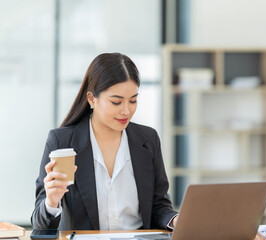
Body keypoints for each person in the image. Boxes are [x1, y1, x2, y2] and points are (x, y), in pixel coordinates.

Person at [31, 53, 179, 230]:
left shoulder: (148, 140)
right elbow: (39, 225)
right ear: (92, 99)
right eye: (116, 102)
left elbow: (159, 206)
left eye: (133, 100)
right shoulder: (62, 142)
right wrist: (51, 202)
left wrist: (176, 220)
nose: (126, 111)